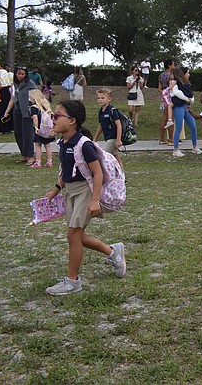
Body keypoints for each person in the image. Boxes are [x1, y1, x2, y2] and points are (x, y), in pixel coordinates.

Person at [41, 100, 126, 295]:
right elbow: (66, 169)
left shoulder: (84, 145)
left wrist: (95, 199)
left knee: (72, 236)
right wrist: (56, 189)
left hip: (85, 192)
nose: (52, 119)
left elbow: (97, 174)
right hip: (71, 191)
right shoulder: (63, 142)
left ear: (71, 120)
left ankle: (73, 281)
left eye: (56, 116)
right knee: (78, 236)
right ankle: (113, 252)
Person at [2, 66, 36, 165]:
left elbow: (36, 96)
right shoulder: (15, 85)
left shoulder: (30, 84)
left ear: (25, 75)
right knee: (18, 133)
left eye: (22, 74)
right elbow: (12, 99)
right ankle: (24, 155)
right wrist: (6, 112)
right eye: (18, 73)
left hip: (26, 111)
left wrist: (30, 104)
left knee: (27, 134)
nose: (20, 76)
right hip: (17, 111)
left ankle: (30, 156)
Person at [170, 67, 201, 158]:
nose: (189, 74)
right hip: (179, 106)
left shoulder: (186, 84)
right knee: (178, 127)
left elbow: (191, 95)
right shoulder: (175, 82)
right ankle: (175, 149)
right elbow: (175, 93)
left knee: (193, 126)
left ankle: (195, 147)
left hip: (186, 106)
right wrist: (186, 99)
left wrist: (191, 100)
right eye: (187, 73)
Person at [92, 88, 124, 169]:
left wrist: (118, 139)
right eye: (98, 98)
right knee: (116, 157)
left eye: (102, 98)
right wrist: (95, 139)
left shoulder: (112, 110)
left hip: (112, 138)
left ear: (109, 99)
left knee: (103, 157)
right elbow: (101, 125)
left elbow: (119, 125)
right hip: (107, 137)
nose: (100, 100)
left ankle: (101, 176)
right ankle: (122, 177)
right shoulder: (101, 111)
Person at [29, 88, 55, 168]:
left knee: (37, 145)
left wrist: (36, 128)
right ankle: (49, 161)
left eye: (31, 98)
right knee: (47, 145)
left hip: (40, 129)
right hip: (47, 129)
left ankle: (38, 162)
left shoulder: (34, 107)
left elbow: (35, 118)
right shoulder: (45, 106)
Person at [158, 59, 175, 144]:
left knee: (164, 118)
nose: (174, 66)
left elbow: (159, 88)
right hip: (171, 98)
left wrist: (164, 94)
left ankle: (162, 138)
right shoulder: (171, 76)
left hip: (164, 98)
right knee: (171, 118)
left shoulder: (161, 75)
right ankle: (171, 139)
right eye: (173, 64)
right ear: (169, 66)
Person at [0, 61, 13, 134]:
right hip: (1, 91)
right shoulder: (1, 72)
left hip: (6, 90)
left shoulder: (3, 72)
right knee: (2, 109)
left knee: (7, 109)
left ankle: (8, 127)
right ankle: (3, 128)